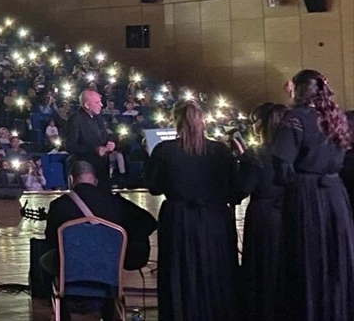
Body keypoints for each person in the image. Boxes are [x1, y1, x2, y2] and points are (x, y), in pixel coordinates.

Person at [271, 69, 354, 321]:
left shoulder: (295, 118)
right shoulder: (336, 116)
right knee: (335, 259)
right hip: (336, 196)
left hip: (306, 196)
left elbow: (281, 165)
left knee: (308, 260)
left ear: (297, 89)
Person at [144, 100, 238, 321]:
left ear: (175, 121)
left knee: (179, 273)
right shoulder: (220, 150)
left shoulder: (164, 150)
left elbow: (154, 187)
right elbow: (234, 189)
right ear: (203, 121)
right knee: (215, 271)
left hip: (178, 219)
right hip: (214, 219)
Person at [40, 160, 145, 318]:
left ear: (71, 179)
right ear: (95, 180)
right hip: (109, 270)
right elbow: (148, 223)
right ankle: (108, 308)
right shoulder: (117, 203)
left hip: (72, 268)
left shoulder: (58, 205)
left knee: (43, 258)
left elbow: (51, 240)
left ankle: (62, 308)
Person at [235, 102, 286, 321]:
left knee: (263, 266)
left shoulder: (256, 154)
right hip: (289, 212)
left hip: (263, 215)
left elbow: (242, 188)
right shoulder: (291, 151)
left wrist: (241, 160)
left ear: (261, 124)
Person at [64, 90, 113, 184]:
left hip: (102, 167)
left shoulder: (98, 117)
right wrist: (94, 149)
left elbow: (105, 137)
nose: (101, 105)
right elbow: (70, 146)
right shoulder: (75, 119)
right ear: (87, 105)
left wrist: (110, 144)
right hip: (85, 169)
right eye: (97, 102)